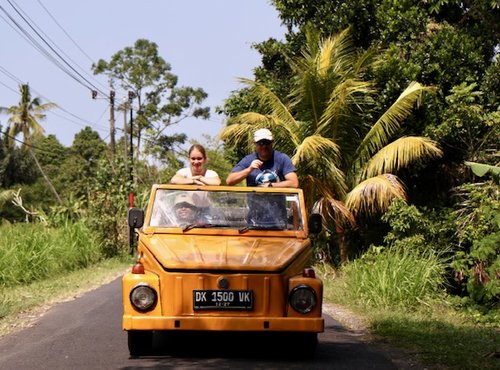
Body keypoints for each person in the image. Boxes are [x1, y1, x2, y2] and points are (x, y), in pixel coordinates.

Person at [225, 128, 299, 188]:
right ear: (255, 144)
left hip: (277, 206)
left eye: (267, 143)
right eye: (260, 143)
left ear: (272, 143)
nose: (264, 146)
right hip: (255, 206)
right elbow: (229, 181)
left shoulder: (282, 158)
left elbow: (294, 183)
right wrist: (249, 169)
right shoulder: (248, 160)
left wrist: (271, 186)